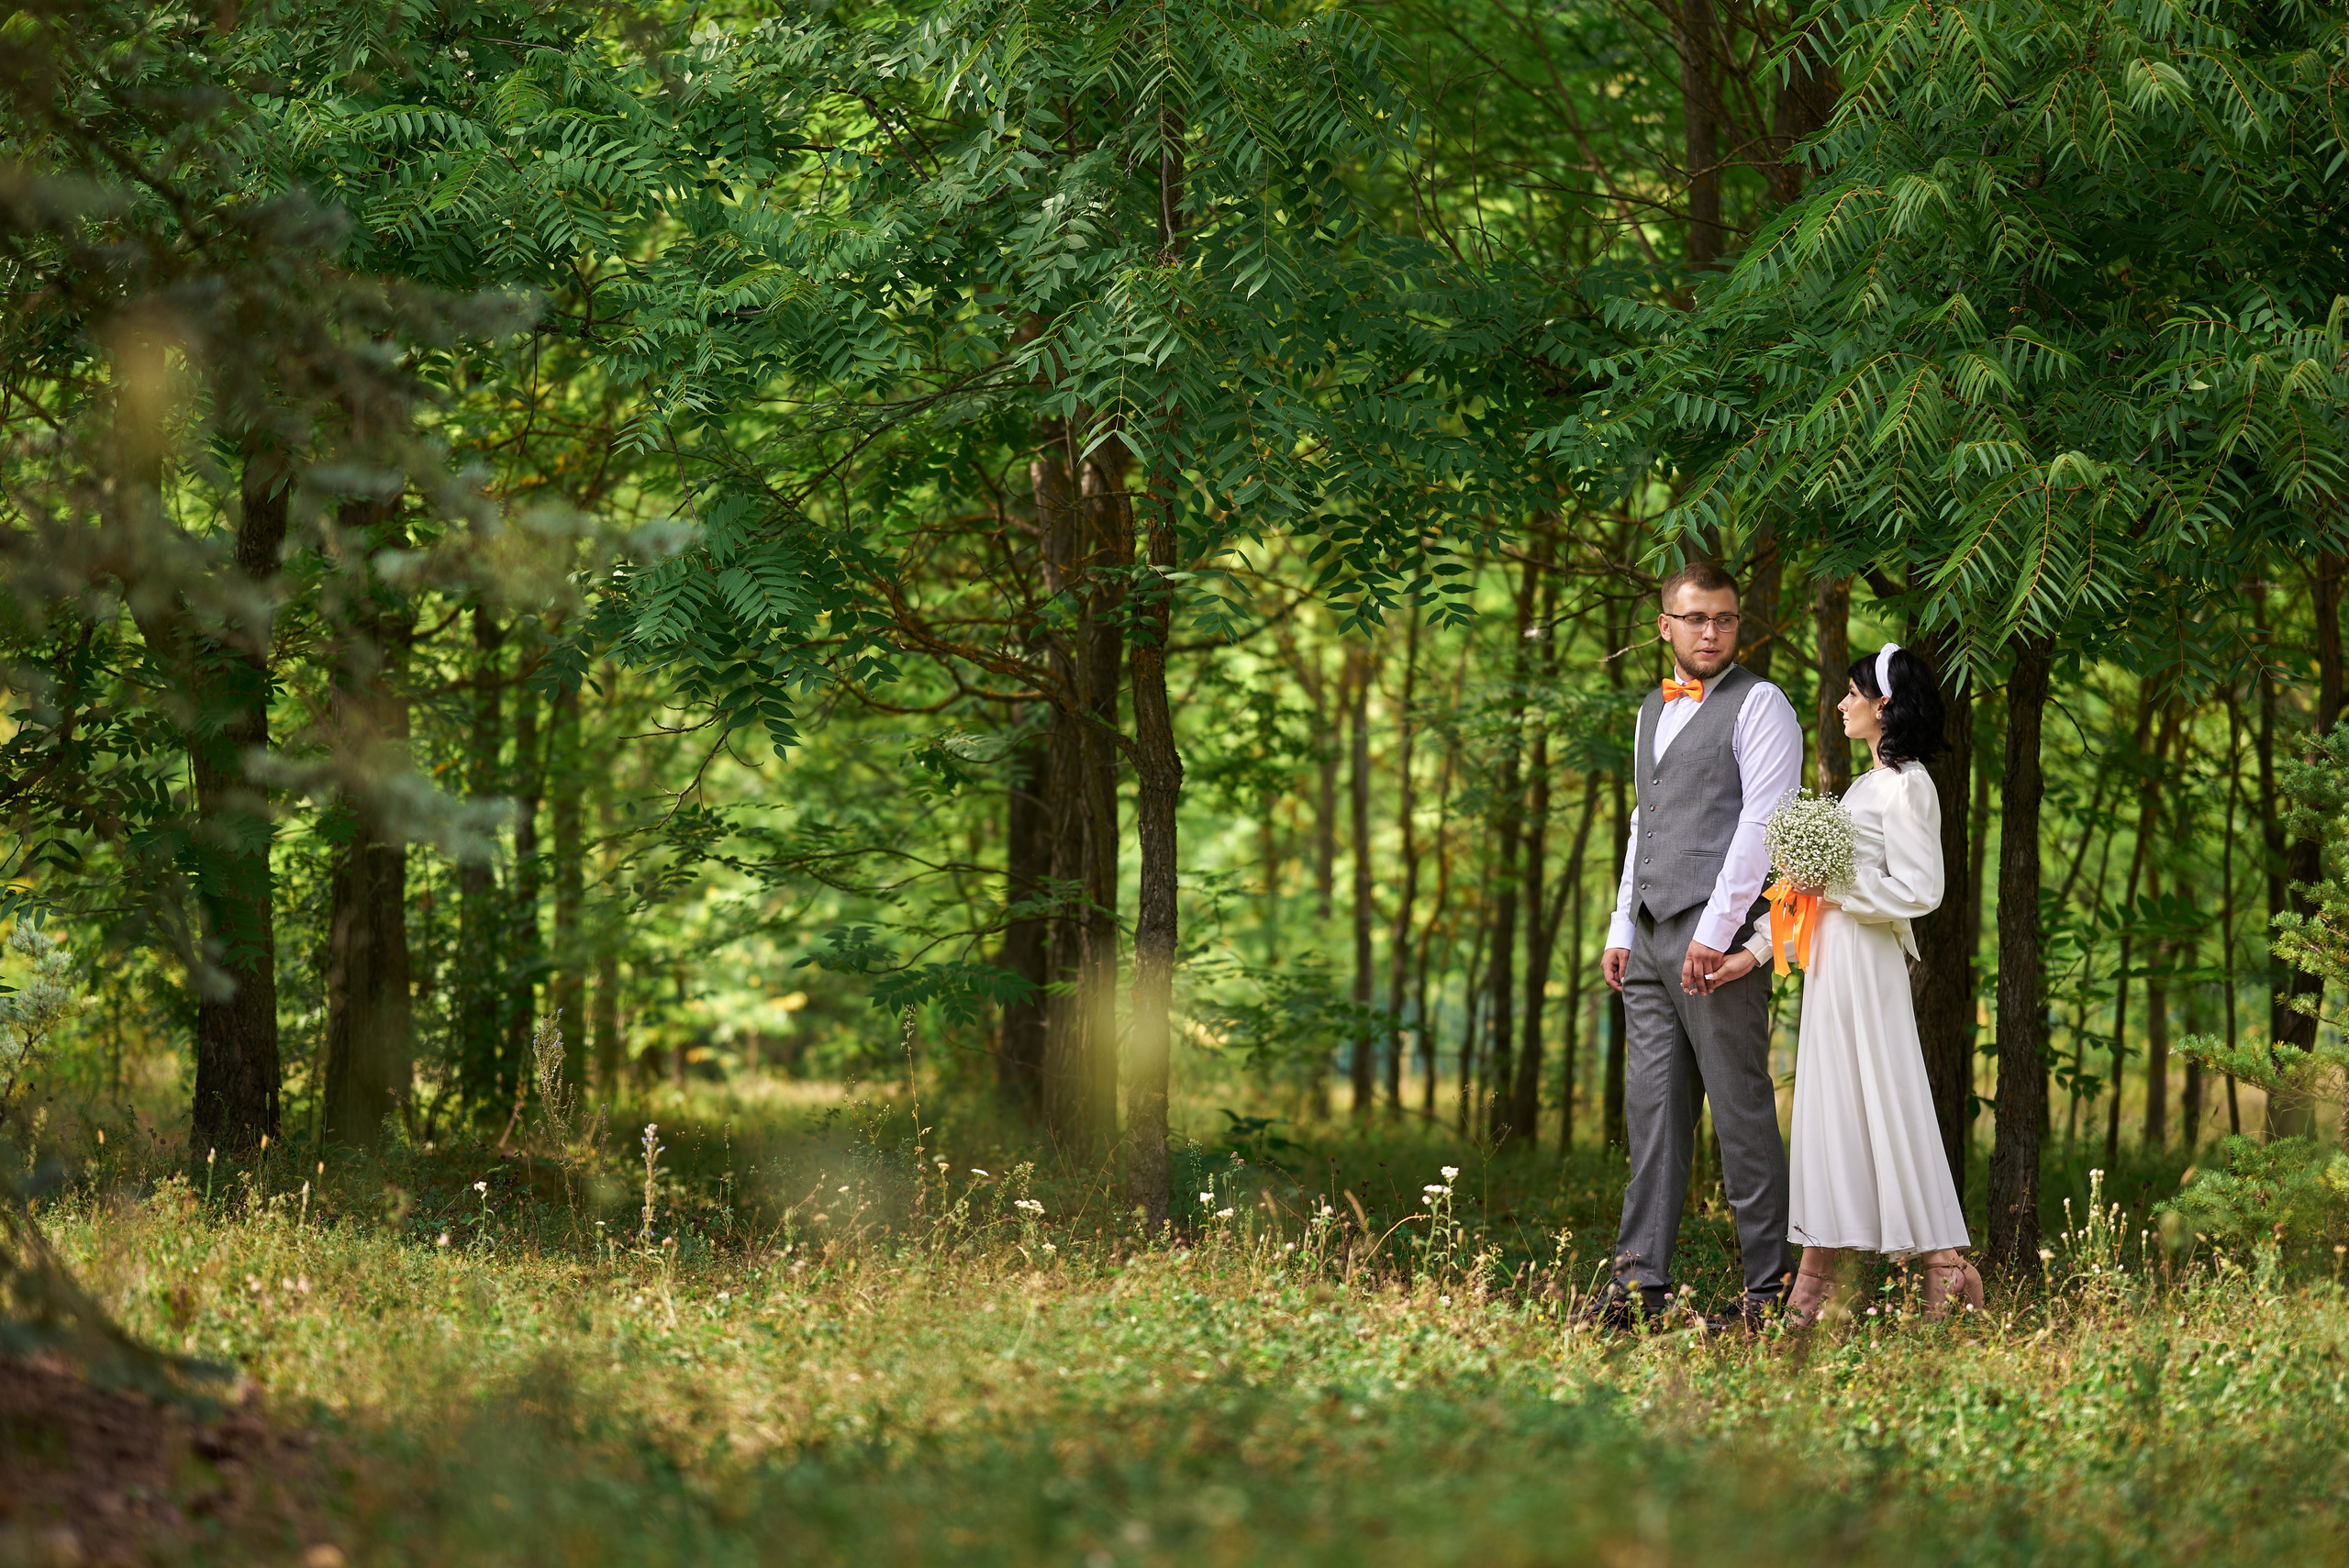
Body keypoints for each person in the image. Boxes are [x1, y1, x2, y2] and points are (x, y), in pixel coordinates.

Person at [1700, 643, 1984, 1321]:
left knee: (1885, 1105)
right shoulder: (1860, 787)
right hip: (1831, 967)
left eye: (1853, 693)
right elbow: (1808, 894)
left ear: (1884, 704)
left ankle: (1943, 1269)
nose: (1842, 704)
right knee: (1831, 1114)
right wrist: (1756, 952)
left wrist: (1836, 881)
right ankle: (1817, 1286)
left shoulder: (1908, 784)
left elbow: (1923, 889)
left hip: (1869, 969)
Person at [1585, 562, 1802, 1330]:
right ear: (1665, 626)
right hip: (1646, 941)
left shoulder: (1762, 705)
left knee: (1741, 1114)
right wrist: (1620, 926)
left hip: (1717, 941)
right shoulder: (1651, 709)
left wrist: (1714, 936)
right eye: (1697, 618)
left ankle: (1769, 1293)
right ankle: (1634, 1288)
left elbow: (1762, 828)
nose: (1712, 632)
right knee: (1652, 1115)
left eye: (1726, 619)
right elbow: (1646, 821)